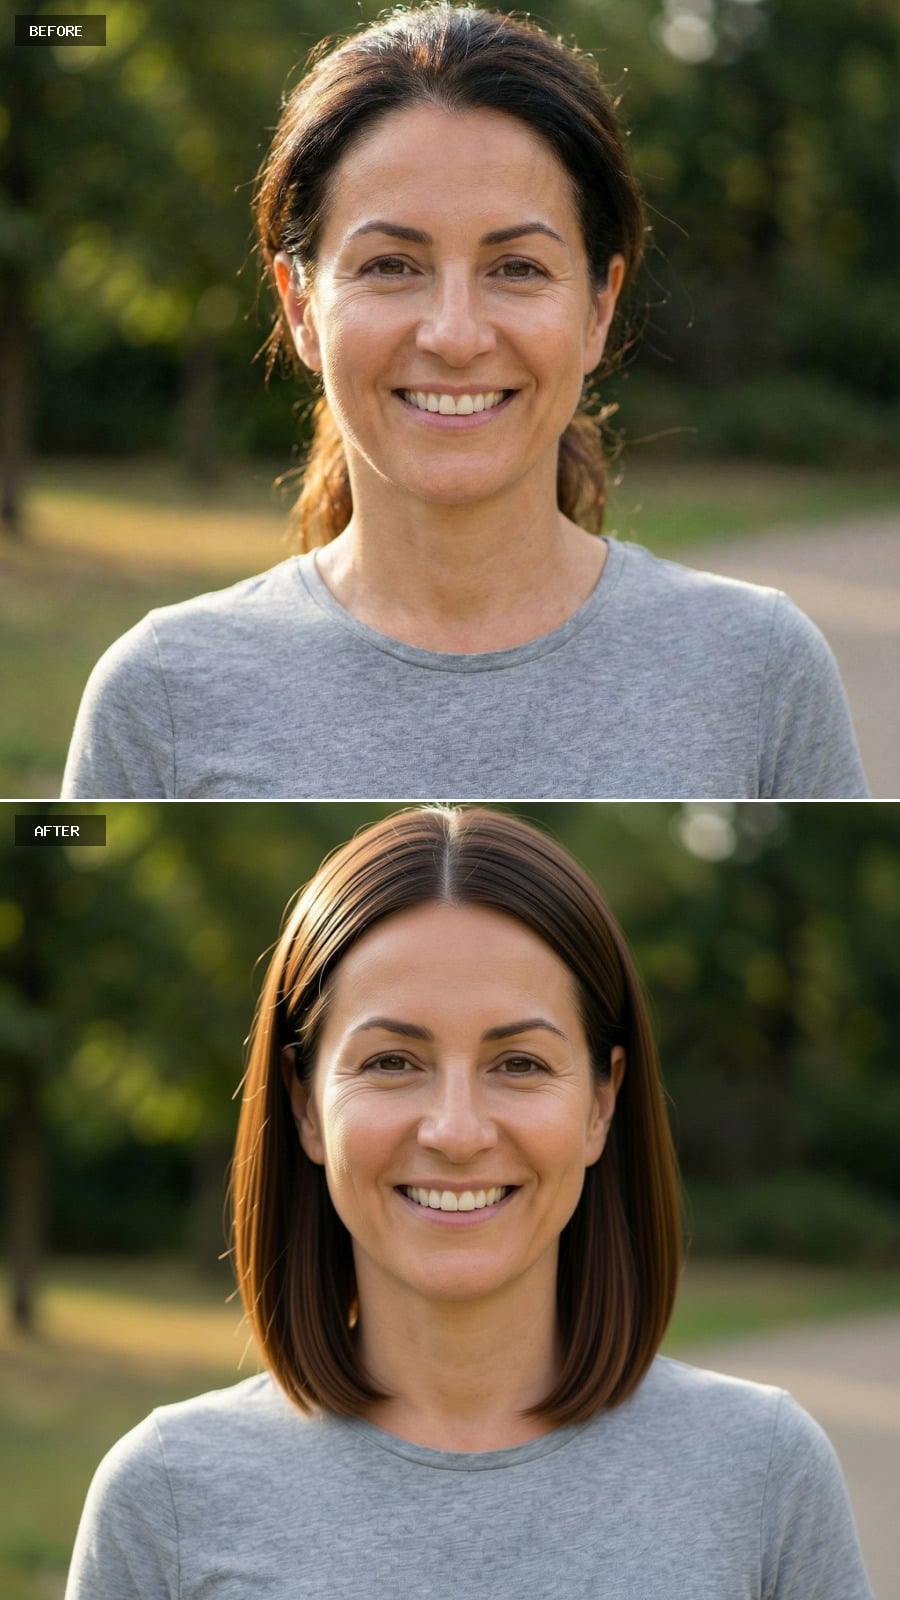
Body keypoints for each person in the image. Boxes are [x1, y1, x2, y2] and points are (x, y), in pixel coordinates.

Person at [61, 4, 867, 800]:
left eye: (516, 268)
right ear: (300, 308)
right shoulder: (161, 693)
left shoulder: (758, 667)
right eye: (391, 266)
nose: (454, 334)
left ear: (597, 308)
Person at [65, 806, 873, 1598]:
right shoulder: (165, 1497)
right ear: (306, 1107)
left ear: (601, 1105)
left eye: (519, 1063)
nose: (456, 1131)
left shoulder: (762, 1473)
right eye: (391, 1062)